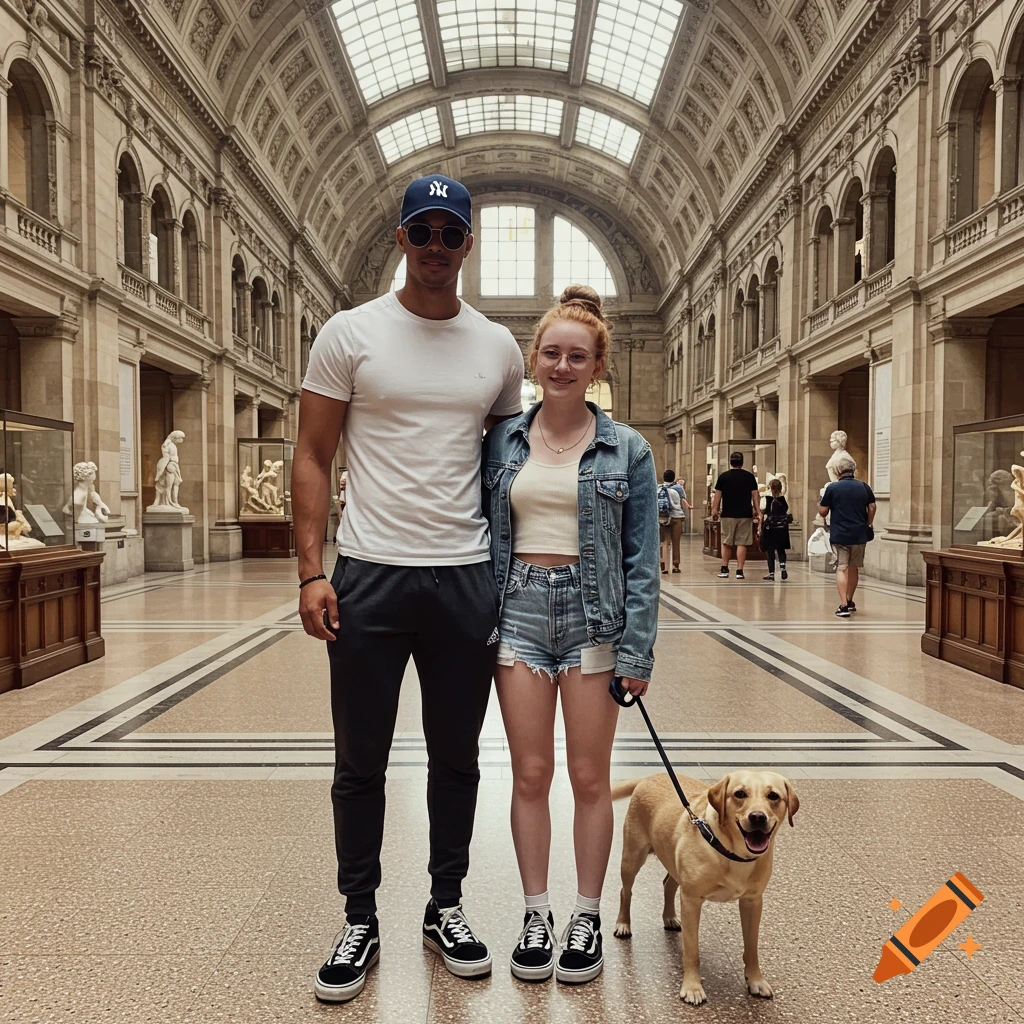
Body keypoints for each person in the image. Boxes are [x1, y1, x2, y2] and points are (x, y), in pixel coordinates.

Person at [294, 173, 526, 1004]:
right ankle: (359, 916)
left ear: (468, 244)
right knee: (359, 759)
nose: (435, 246)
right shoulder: (350, 333)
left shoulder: (498, 349)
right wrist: (311, 569)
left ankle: (445, 905)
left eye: (449, 233)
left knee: (457, 756)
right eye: (421, 231)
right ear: (401, 238)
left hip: (465, 578)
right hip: (368, 574)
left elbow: (509, 468)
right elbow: (312, 454)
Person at [482, 284, 660, 985]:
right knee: (530, 774)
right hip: (519, 612)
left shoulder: (628, 449)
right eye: (551, 353)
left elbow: (642, 560)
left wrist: (637, 650)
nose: (562, 366)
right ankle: (536, 914)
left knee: (589, 777)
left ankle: (586, 914)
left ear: (597, 366)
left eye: (577, 356)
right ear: (534, 359)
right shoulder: (502, 441)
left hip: (595, 619)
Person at [819, 452, 876, 617]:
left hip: (840, 534)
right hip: (859, 534)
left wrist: (821, 506)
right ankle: (850, 600)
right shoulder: (864, 487)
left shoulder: (833, 488)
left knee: (842, 567)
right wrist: (868, 523)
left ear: (838, 472)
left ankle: (843, 605)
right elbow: (872, 506)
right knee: (854, 567)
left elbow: (823, 511)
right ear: (853, 471)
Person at [710, 451, 761, 580]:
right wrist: (758, 511)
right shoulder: (749, 477)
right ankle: (739, 570)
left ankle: (724, 568)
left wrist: (714, 510)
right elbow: (755, 496)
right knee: (742, 543)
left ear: (730, 462)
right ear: (742, 462)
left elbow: (717, 496)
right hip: (745, 514)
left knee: (726, 542)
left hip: (728, 514)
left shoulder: (723, 477)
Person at [760, 478, 790, 582]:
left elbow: (763, 511)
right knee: (781, 549)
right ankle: (783, 567)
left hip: (770, 528)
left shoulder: (767, 499)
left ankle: (771, 573)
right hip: (781, 528)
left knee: (770, 550)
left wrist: (760, 526)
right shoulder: (783, 499)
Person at [658, 470, 684, 575]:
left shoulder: (659, 489)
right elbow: (682, 503)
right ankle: (675, 565)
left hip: (663, 517)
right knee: (676, 542)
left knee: (664, 542)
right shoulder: (677, 489)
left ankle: (664, 567)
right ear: (673, 478)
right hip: (677, 517)